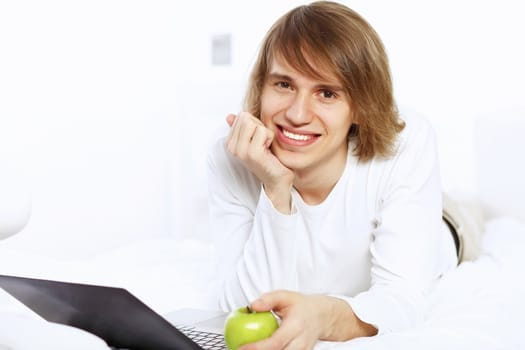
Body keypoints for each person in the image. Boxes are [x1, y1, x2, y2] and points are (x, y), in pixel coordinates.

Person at [207, 1, 481, 349]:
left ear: (361, 107)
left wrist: (322, 316)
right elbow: (244, 309)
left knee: (466, 218)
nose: (297, 113)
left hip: (448, 225)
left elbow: (402, 299)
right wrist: (277, 189)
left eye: (327, 92)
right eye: (284, 85)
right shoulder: (230, 155)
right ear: (261, 86)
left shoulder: (408, 142)